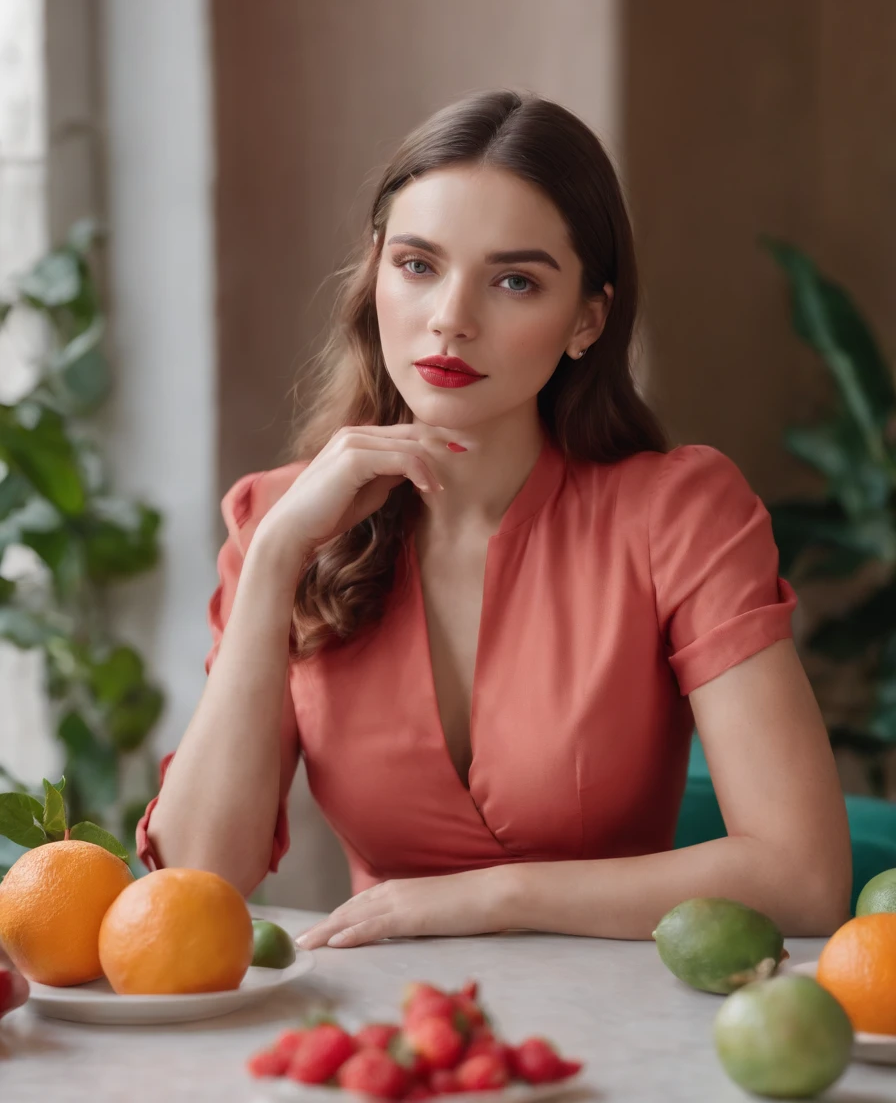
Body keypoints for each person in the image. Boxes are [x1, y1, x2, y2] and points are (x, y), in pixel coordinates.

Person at [136, 89, 851, 950]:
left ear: (588, 318)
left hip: (626, 1031)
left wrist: (486, 897)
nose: (451, 318)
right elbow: (197, 881)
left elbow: (804, 881)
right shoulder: (277, 520)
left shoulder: (680, 514)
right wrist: (278, 554)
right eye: (418, 265)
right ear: (375, 276)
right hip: (393, 1048)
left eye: (514, 280)